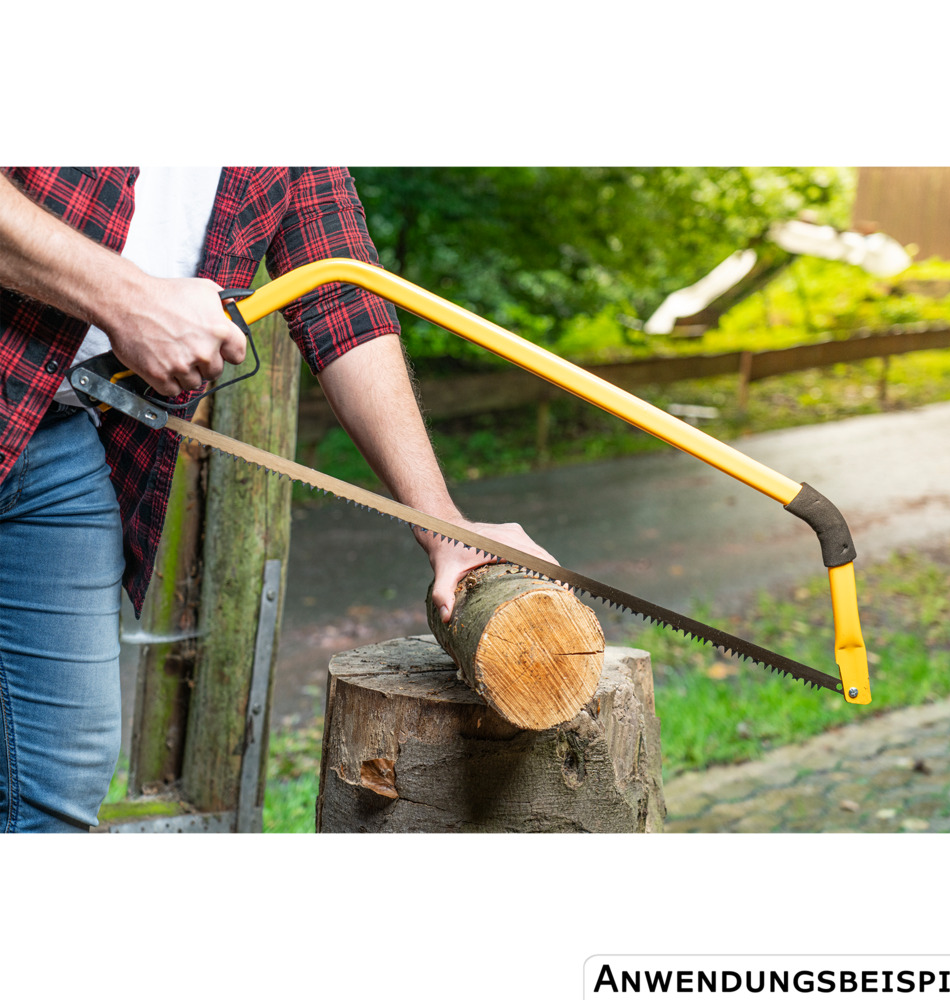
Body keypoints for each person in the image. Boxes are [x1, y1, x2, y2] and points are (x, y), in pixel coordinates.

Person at [0, 166, 555, 832]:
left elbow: (340, 296)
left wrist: (442, 523)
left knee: (54, 783)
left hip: (55, 439)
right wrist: (125, 299)